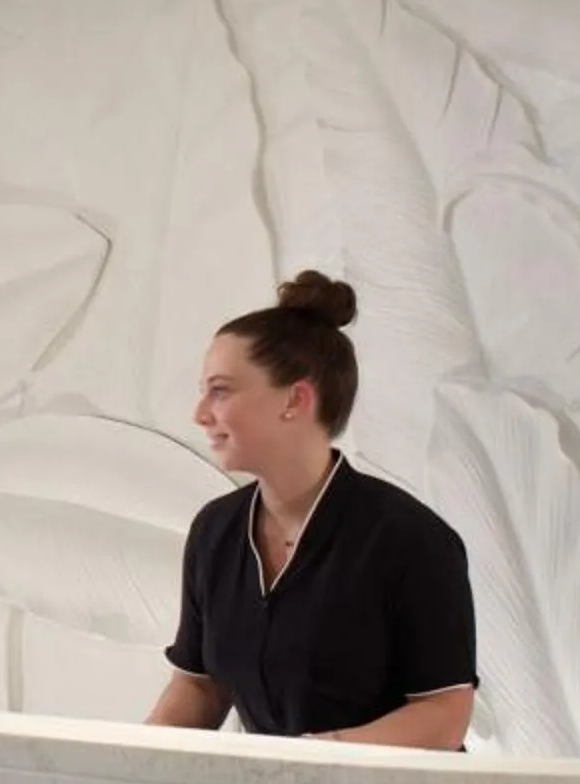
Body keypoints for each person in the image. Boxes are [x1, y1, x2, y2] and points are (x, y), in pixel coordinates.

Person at [145, 270, 478, 747]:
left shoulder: (411, 540)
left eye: (220, 390)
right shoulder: (214, 532)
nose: (201, 413)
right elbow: (200, 685)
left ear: (295, 399)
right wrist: (132, 765)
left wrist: (313, 764)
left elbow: (444, 716)